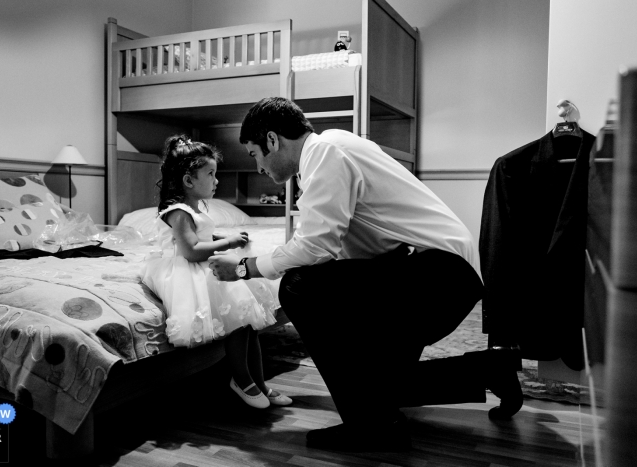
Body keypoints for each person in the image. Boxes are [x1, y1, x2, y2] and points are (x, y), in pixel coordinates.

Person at [208, 97, 523, 451]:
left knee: (296, 288)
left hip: (439, 273)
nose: (259, 166)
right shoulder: (334, 149)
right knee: (380, 385)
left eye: (254, 154)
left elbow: (314, 246)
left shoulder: (325, 153)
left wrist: (243, 268)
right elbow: (348, 252)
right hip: (440, 274)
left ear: (271, 140)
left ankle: (369, 425)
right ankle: (492, 370)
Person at [141, 135, 292, 409]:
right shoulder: (178, 212)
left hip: (202, 264)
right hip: (187, 270)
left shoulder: (195, 209)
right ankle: (241, 378)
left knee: (251, 325)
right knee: (238, 323)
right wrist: (230, 242)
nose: (216, 180)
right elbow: (191, 251)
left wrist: (222, 237)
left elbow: (203, 235)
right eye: (210, 174)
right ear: (189, 180)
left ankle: (260, 383)